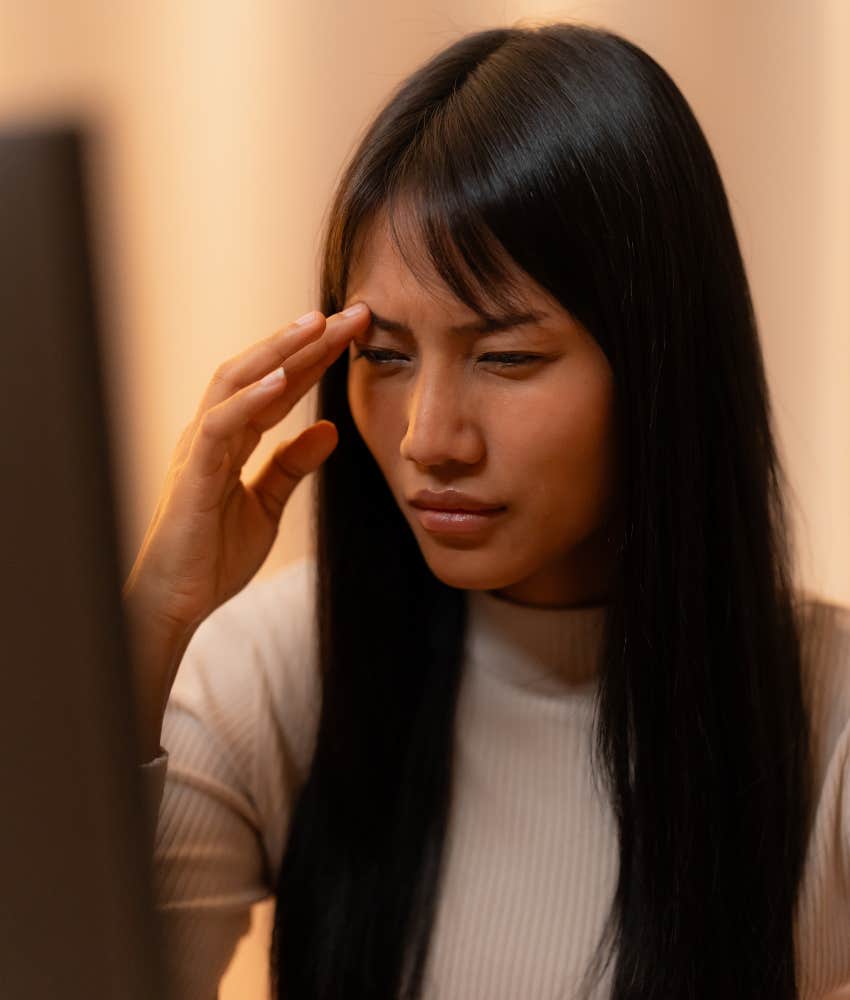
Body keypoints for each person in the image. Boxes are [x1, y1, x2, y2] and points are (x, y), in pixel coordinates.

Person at [122, 20, 850, 1000]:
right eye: (382, 356)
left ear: (660, 364)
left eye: (506, 357)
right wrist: (148, 630)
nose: (430, 436)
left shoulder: (827, 716)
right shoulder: (269, 672)